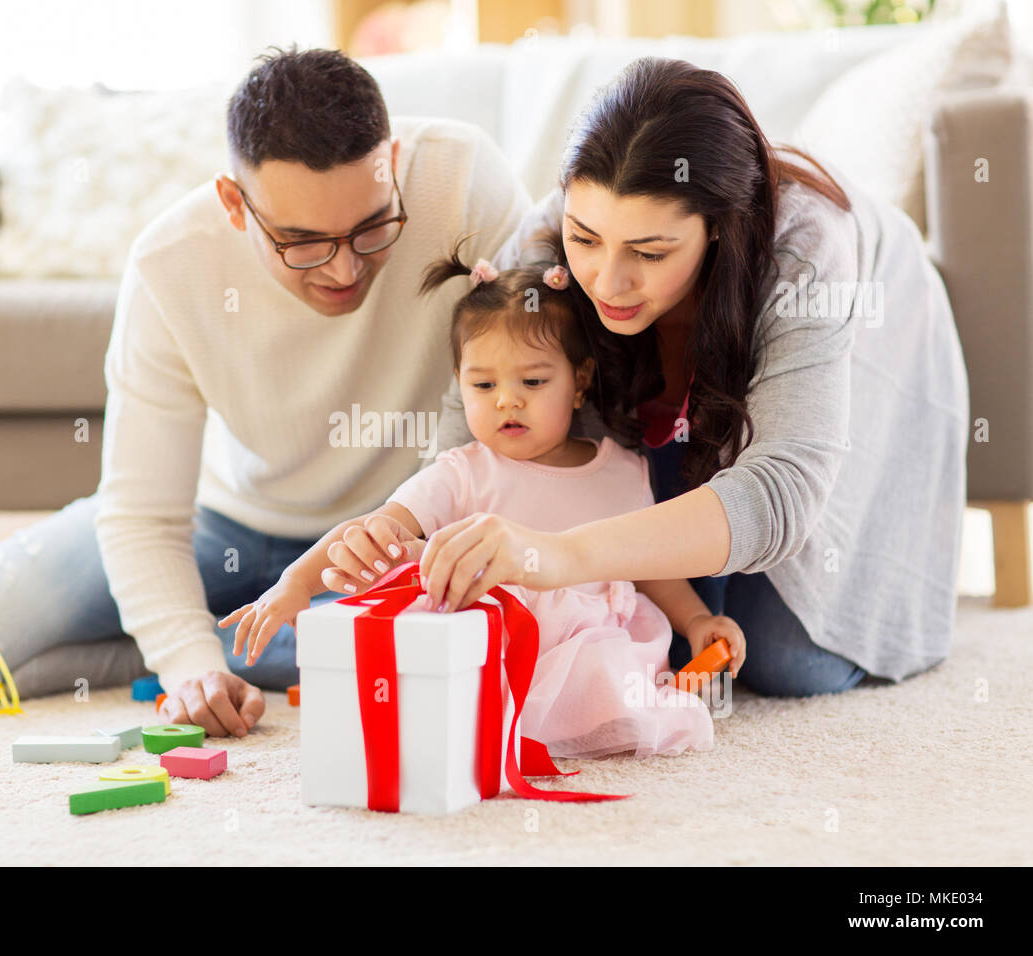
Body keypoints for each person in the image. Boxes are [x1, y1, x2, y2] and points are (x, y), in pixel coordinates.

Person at [0, 47, 531, 736]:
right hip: (216, 520)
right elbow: (142, 515)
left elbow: (537, 384)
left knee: (459, 646)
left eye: (371, 227)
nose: (346, 268)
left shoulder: (464, 179)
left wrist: (548, 285)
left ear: (393, 160)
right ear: (234, 203)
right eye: (303, 242)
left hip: (392, 537)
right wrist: (189, 667)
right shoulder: (170, 263)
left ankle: (158, 651)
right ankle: (212, 643)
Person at [320, 56, 970, 698]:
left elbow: (782, 494)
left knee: (784, 661)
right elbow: (471, 423)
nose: (607, 280)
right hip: (691, 413)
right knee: (667, 623)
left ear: (719, 229)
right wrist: (399, 523)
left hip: (877, 347)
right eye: (587, 239)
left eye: (650, 253)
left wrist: (559, 555)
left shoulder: (806, 249)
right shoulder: (556, 231)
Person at [225, 246, 746, 757]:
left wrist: (698, 621)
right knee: (401, 653)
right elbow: (371, 531)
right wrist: (297, 580)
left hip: (589, 643)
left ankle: (581, 716)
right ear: (460, 385)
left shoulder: (621, 470)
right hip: (483, 644)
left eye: (534, 381)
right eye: (483, 384)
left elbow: (652, 567)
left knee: (612, 679)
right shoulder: (463, 472)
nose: (507, 399)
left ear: (579, 381)